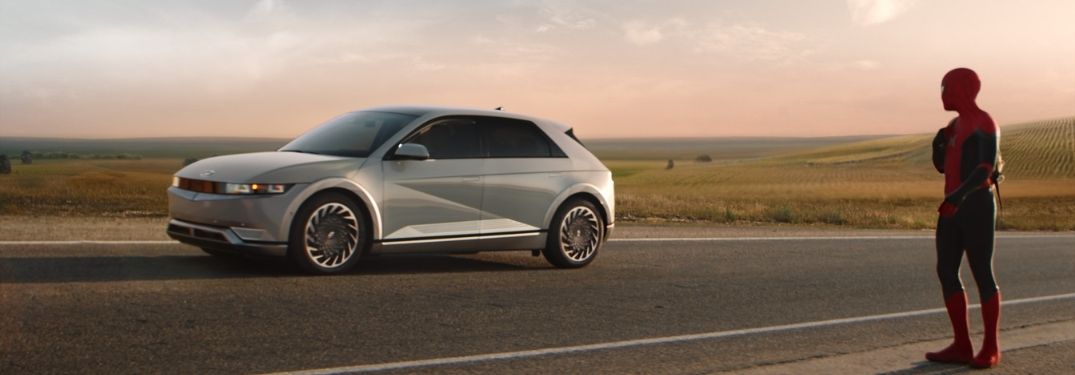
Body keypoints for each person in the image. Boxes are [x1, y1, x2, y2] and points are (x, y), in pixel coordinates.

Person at [926, 67, 1001, 368]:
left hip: (977, 205)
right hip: (952, 207)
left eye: (945, 87)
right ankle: (961, 344)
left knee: (982, 272)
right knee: (946, 270)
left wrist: (956, 199)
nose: (942, 94)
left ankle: (991, 348)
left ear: (962, 88)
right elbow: (944, 168)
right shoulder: (953, 126)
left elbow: (984, 169)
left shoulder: (985, 123)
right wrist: (938, 145)